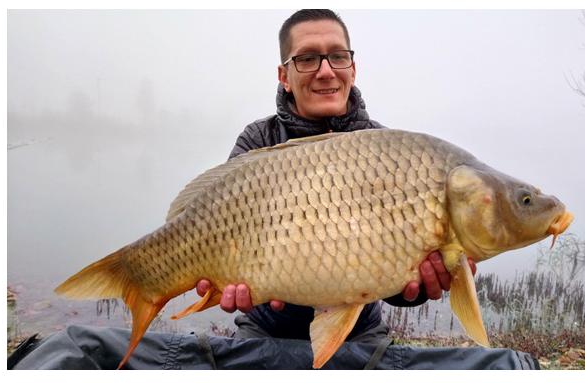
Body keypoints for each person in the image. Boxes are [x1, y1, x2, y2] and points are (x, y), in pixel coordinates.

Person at [194, 9, 476, 344]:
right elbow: (221, 238)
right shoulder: (259, 141)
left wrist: (417, 288)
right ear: (284, 76)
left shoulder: (392, 153)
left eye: (338, 57)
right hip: (267, 329)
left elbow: (396, 274)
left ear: (352, 70)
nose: (326, 72)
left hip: (360, 331)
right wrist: (223, 282)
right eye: (308, 59)